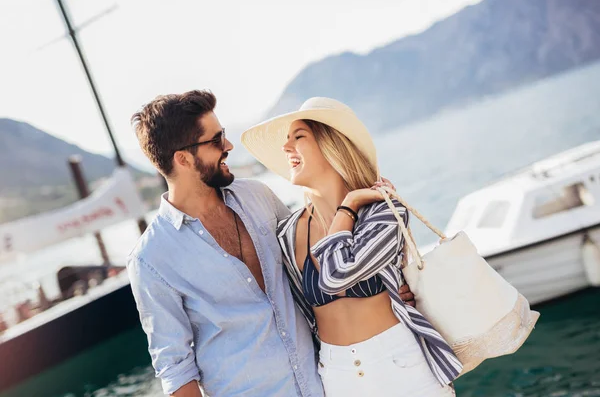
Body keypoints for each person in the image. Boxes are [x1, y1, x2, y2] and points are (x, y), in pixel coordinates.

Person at [128, 90, 415, 396]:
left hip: (330, 385)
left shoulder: (259, 197)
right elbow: (175, 369)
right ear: (183, 159)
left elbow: (317, 260)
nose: (228, 145)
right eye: (216, 140)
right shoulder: (151, 259)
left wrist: (386, 289)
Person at [241, 97, 462, 396]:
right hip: (337, 373)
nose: (286, 147)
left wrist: (349, 205)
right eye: (287, 139)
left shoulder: (383, 211)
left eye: (299, 136)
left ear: (331, 146)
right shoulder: (288, 232)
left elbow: (336, 276)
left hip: (400, 363)